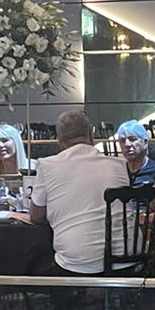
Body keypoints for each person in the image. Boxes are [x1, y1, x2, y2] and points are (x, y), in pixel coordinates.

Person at [24, 108, 128, 274]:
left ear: (60, 142)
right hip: (127, 261)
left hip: (77, 265)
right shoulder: (120, 165)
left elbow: (36, 217)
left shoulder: (47, 166)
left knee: (31, 262)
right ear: (91, 136)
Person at [116, 120, 155, 188]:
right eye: (122, 141)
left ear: (145, 142)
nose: (127, 144)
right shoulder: (118, 171)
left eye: (132, 139)